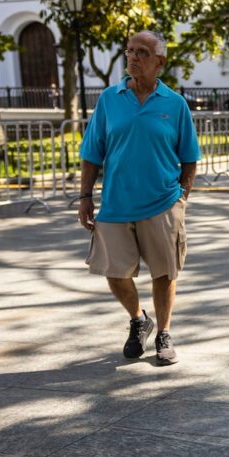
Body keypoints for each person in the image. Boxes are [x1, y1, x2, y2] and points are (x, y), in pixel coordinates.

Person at [77, 31, 200, 366]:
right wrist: (85, 196)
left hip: (163, 203)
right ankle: (138, 319)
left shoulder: (174, 104)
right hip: (115, 203)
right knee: (114, 272)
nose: (133, 57)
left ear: (159, 62)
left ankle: (163, 333)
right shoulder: (109, 99)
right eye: (129, 51)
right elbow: (92, 151)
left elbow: (189, 156)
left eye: (142, 52)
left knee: (164, 273)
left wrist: (182, 198)